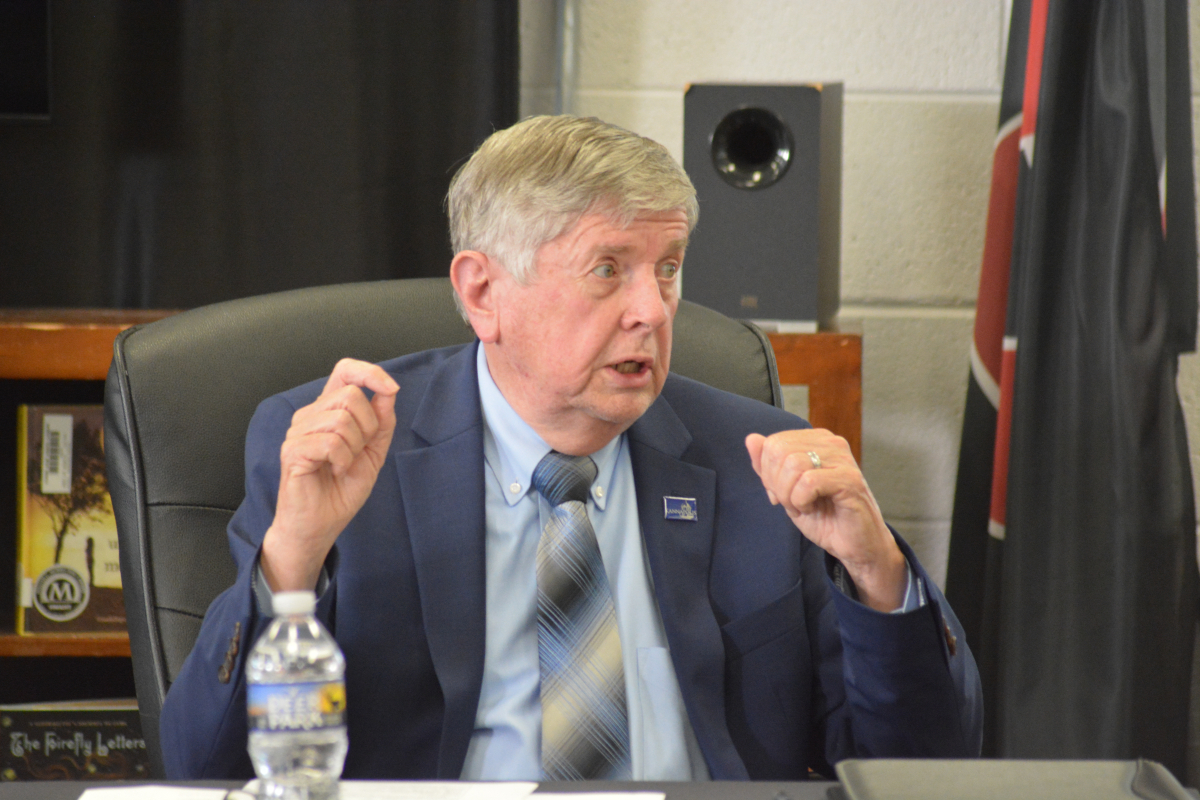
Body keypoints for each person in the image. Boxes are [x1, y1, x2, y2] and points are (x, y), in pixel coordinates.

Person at [160, 115, 982, 782]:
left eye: (666, 269)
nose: (653, 313)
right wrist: (293, 561)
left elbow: (925, 769)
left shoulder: (756, 459)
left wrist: (876, 573)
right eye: (606, 269)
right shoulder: (335, 451)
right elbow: (202, 767)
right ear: (482, 292)